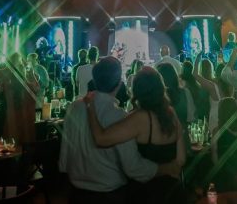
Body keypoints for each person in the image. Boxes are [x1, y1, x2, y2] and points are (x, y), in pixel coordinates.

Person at [59, 57, 178, 203]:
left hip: (76, 192)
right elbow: (133, 167)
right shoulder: (119, 116)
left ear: (95, 80)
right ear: (119, 83)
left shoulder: (74, 107)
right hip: (110, 195)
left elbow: (65, 153)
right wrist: (164, 168)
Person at [85, 66, 186, 203]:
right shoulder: (171, 113)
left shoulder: (140, 118)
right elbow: (181, 159)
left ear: (137, 90)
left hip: (147, 193)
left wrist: (90, 108)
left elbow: (100, 139)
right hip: (173, 192)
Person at [193, 53, 222, 131]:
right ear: (211, 69)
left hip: (209, 115)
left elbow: (195, 74)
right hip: (216, 113)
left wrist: (197, 58)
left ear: (201, 69)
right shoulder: (216, 82)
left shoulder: (206, 85)